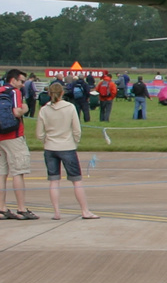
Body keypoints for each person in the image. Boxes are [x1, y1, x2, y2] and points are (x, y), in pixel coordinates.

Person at [35, 80, 96, 220]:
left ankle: (57, 212)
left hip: (50, 147)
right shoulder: (70, 107)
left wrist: (46, 140)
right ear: (62, 93)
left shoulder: (44, 110)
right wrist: (74, 141)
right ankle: (85, 210)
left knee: (54, 181)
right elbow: (76, 129)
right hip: (67, 146)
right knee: (77, 180)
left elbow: (39, 133)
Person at [0, 69, 37, 219]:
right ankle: (21, 208)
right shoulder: (14, 92)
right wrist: (25, 108)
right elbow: (16, 112)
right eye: (21, 81)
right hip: (13, 135)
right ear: (13, 80)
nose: (22, 85)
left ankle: (2, 208)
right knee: (18, 172)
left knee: (2, 173)